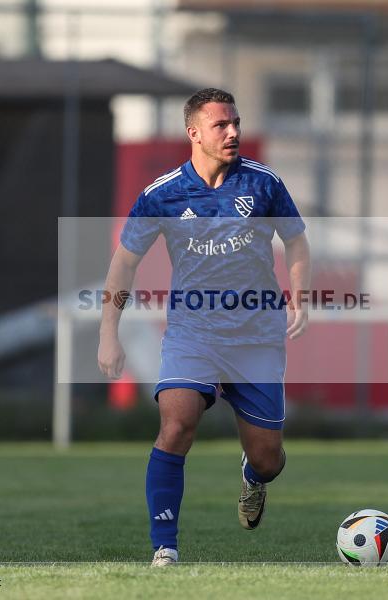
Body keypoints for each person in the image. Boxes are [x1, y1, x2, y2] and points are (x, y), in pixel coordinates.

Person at [97, 88, 311, 566]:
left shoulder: (264, 184)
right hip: (193, 335)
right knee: (177, 425)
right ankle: (165, 548)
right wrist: (108, 332)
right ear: (194, 133)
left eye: (236, 122)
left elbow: (296, 242)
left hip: (256, 336)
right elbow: (124, 265)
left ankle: (253, 478)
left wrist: (299, 295)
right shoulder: (162, 194)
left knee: (268, 458)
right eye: (221, 125)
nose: (234, 131)